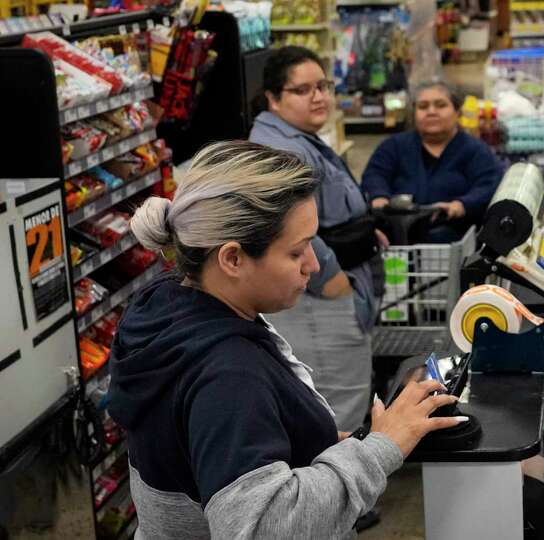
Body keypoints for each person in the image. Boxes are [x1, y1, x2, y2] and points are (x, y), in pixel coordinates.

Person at [107, 141, 467, 538]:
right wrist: (380, 449)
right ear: (232, 259)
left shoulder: (170, 304)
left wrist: (320, 442)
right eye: (296, 252)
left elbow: (214, 450)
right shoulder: (227, 374)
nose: (312, 264)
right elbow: (261, 527)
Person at [249, 46, 384, 433]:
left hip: (335, 291)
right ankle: (339, 492)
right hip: (318, 304)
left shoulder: (298, 137)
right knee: (334, 415)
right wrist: (330, 280)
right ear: (273, 98)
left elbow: (324, 208)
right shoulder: (283, 149)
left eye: (323, 85)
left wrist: (364, 231)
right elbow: (285, 224)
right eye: (303, 89)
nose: (319, 96)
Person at [361, 80, 502, 243]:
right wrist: (379, 197)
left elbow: (488, 185)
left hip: (454, 243)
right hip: (398, 243)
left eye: (441, 105)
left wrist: (462, 204)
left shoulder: (476, 151)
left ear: (457, 111)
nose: (431, 112)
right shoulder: (393, 147)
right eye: (423, 106)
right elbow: (375, 175)